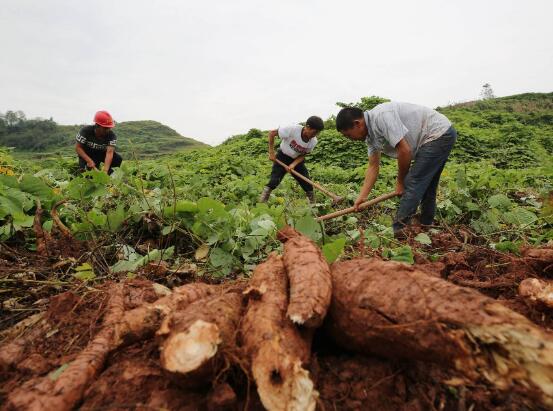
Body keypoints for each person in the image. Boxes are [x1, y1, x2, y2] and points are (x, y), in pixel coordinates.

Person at [336, 102, 457, 238]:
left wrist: (400, 182)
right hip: (438, 135)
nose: (350, 139)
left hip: (438, 133)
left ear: (357, 124)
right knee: (427, 185)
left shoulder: (382, 116)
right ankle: (426, 225)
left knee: (412, 182)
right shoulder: (370, 137)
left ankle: (399, 231)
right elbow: (373, 166)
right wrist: (362, 197)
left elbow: (405, 151)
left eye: (348, 135)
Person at [259, 116, 324, 203]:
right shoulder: (292, 129)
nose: (314, 135)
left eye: (317, 133)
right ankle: (262, 201)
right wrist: (271, 152)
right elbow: (272, 133)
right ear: (307, 127)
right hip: (282, 156)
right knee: (274, 180)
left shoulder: (313, 141)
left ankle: (313, 205)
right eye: (314, 132)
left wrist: (293, 164)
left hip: (297, 160)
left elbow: (303, 155)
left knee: (307, 182)